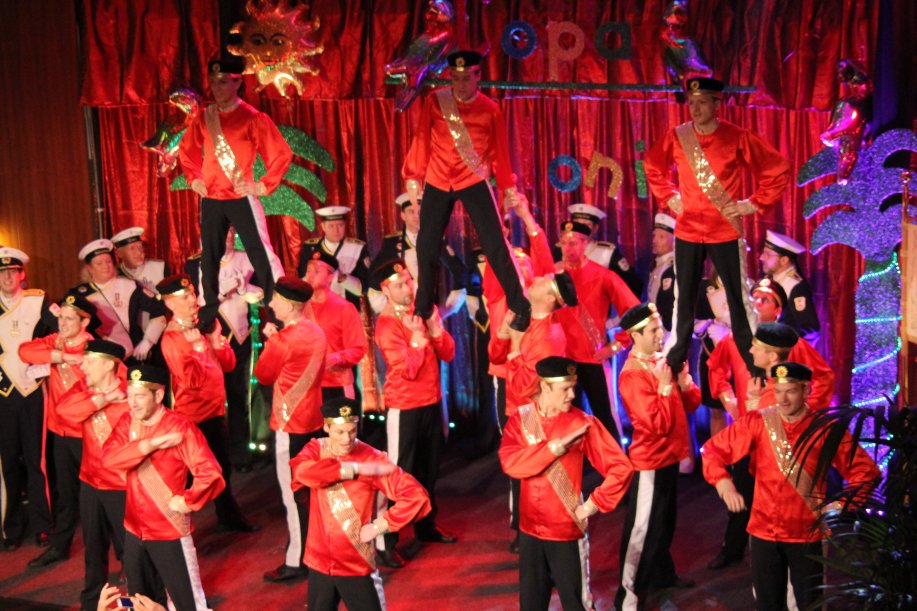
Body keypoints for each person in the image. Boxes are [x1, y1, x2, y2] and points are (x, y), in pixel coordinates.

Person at [701, 363, 879, 610]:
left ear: (806, 390)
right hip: (763, 531)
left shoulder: (824, 428)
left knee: (809, 604)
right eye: (777, 391)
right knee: (767, 604)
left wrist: (838, 506)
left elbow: (867, 473)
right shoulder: (758, 421)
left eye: (791, 391)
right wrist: (723, 484)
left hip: (806, 533)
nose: (782, 400)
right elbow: (712, 451)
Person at [644, 77, 791, 375]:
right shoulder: (678, 136)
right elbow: (652, 166)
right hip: (687, 230)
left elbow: (777, 169)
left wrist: (752, 203)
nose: (695, 109)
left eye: (702, 103)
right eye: (691, 103)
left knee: (738, 299)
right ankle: (675, 359)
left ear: (717, 104)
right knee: (683, 298)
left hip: (724, 229)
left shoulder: (736, 136)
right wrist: (670, 198)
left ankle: (754, 363)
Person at [402, 49, 531, 332]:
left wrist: (507, 187)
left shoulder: (490, 109)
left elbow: (499, 152)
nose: (461, 85)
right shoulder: (436, 101)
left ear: (477, 77)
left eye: (466, 78)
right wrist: (413, 176)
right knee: (426, 244)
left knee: (495, 245)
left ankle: (520, 305)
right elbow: (421, 138)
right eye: (456, 78)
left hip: (472, 179)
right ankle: (423, 306)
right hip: (438, 179)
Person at [499, 356, 633, 610]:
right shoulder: (521, 418)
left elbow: (621, 467)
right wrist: (555, 448)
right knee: (530, 604)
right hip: (529, 530)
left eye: (573, 387)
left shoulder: (582, 423)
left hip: (565, 530)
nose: (572, 395)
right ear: (545, 386)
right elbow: (512, 464)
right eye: (565, 389)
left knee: (576, 603)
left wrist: (592, 505)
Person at [290, 397, 432, 611]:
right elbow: (301, 472)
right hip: (319, 561)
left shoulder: (372, 459)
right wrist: (353, 470)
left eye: (352, 431)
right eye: (339, 432)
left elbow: (416, 495)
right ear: (327, 427)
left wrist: (379, 526)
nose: (346, 439)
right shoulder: (316, 449)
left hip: (354, 562)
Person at [102, 364, 225, 611]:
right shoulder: (128, 422)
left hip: (169, 530)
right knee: (137, 601)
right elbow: (108, 458)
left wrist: (187, 501)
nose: (132, 403)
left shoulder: (180, 427)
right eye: (129, 395)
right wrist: (151, 444)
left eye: (139, 396)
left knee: (187, 603)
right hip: (134, 529)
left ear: (158, 395)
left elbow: (210, 473)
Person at [177, 55, 290, 319]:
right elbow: (186, 150)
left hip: (240, 195)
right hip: (211, 197)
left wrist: (262, 186)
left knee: (260, 253)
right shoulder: (205, 117)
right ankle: (208, 312)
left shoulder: (252, 118)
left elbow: (281, 153)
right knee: (209, 256)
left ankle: (277, 309)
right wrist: (194, 178)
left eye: (223, 82)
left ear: (237, 83)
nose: (217, 88)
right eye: (213, 82)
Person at [616, 303, 701, 610]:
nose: (660, 335)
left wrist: (684, 381)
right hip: (650, 462)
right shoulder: (632, 375)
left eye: (659, 327)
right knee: (641, 531)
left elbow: (691, 405)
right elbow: (657, 424)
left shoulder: (662, 362)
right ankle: (627, 597)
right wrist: (665, 387)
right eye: (653, 330)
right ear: (635, 335)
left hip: (669, 457)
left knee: (663, 524)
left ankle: (662, 576)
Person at [372, 260, 456, 567]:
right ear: (385, 290)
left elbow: (448, 353)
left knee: (428, 471)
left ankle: (425, 527)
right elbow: (407, 369)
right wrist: (419, 339)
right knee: (399, 475)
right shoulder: (387, 325)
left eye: (408, 281)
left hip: (431, 402)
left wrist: (434, 330)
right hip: (404, 407)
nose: (407, 288)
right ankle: (385, 540)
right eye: (399, 285)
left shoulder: (422, 311)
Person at [156, 274, 254, 532]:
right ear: (170, 303)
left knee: (221, 468)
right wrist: (199, 350)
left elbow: (229, 364)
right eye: (184, 297)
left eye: (191, 294)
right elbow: (191, 382)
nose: (192, 300)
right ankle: (170, 524)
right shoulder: (172, 338)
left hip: (215, 410)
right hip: (194, 417)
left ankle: (227, 517)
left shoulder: (206, 325)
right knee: (197, 473)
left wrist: (215, 343)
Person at [489, 270, 577, 552]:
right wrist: (504, 333)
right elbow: (495, 356)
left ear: (549, 298)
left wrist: (515, 346)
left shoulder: (548, 336)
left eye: (542, 281)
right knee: (520, 474)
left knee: (529, 474)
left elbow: (523, 386)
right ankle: (524, 530)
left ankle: (531, 534)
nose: (534, 280)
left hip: (532, 414)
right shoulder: (528, 317)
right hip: (519, 410)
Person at [253, 276, 327, 583]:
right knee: (313, 491)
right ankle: (318, 549)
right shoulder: (316, 331)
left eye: (275, 300)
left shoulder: (283, 340)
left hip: (289, 422)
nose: (271, 304)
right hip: (314, 419)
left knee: (293, 494)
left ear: (289, 305)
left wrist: (271, 341)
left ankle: (298, 558)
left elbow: (263, 375)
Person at [20, 293, 97, 569]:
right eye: (60, 317)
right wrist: (62, 356)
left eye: (68, 319)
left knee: (98, 496)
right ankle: (60, 546)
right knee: (65, 495)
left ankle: (122, 555)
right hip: (60, 432)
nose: (61, 323)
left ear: (84, 322)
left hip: (86, 434)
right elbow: (25, 351)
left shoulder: (94, 350)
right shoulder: (57, 342)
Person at [185, 228, 263, 470]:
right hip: (207, 337)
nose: (228, 237)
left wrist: (243, 289)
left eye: (231, 233)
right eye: (223, 233)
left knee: (239, 396)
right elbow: (192, 301)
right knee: (207, 397)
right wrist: (218, 294)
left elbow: (261, 296)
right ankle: (207, 455)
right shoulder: (195, 263)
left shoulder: (247, 258)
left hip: (238, 337)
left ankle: (240, 455)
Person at [556, 220, 640, 440]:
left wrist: (616, 346)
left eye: (574, 243)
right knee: (565, 417)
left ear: (586, 243)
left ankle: (615, 458)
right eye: (564, 243)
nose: (568, 248)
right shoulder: (555, 275)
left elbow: (634, 311)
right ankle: (575, 457)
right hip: (562, 357)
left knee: (604, 415)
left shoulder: (603, 275)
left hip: (593, 357)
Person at [0, 247, 54, 551]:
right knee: (7, 464)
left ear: (22, 274)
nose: (7, 278)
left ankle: (42, 526)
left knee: (37, 463)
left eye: (13, 271)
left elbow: (58, 332)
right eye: (2, 273)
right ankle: (12, 527)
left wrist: (43, 362)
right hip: (2, 394)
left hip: (31, 392)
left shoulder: (37, 301)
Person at [75, 340, 130, 610]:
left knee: (131, 547)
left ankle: (141, 599)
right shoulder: (83, 391)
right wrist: (104, 399)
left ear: (109, 365)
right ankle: (92, 601)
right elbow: (64, 411)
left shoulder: (131, 396)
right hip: (89, 482)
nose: (83, 366)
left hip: (120, 485)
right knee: (93, 546)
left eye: (89, 361)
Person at [72, 239, 167, 361]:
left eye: (108, 261)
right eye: (99, 264)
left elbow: (159, 309)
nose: (105, 266)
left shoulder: (129, 285)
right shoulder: (80, 294)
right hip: (101, 356)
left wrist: (148, 340)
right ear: (89, 268)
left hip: (133, 354)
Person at [302, 250, 367, 400]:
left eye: (317, 271)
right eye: (308, 271)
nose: (310, 275)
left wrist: (336, 358)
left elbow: (358, 349)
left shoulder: (344, 308)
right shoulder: (299, 306)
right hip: (306, 385)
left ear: (331, 277)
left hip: (336, 385)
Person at [298, 206, 370, 311]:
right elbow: (302, 279)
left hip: (348, 309)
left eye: (340, 225)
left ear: (345, 225)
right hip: (317, 309)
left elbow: (365, 286)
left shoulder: (357, 248)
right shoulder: (310, 248)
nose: (336, 230)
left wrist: (344, 279)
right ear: (323, 226)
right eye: (331, 226)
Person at [562, 203, 642, 297]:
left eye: (586, 225)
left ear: (595, 228)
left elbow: (633, 285)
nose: (581, 229)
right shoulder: (560, 249)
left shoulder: (607, 253)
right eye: (577, 224)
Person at [759, 230, 820, 344]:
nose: (761, 257)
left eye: (768, 254)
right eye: (763, 252)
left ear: (784, 260)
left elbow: (810, 329)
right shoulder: (769, 279)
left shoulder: (796, 287)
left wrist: (778, 336)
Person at [111, 227, 169, 295]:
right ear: (119, 253)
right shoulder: (113, 275)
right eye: (132, 248)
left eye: (140, 247)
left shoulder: (160, 267)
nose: (139, 252)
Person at [646, 213, 677, 332]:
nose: (654, 240)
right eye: (654, 236)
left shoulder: (674, 267)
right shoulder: (657, 265)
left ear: (674, 242)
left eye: (661, 237)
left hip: (668, 332)